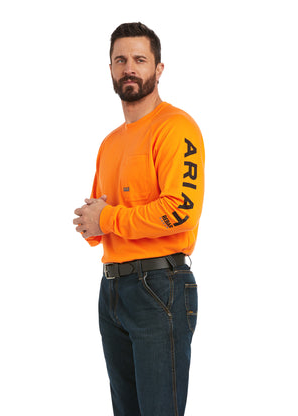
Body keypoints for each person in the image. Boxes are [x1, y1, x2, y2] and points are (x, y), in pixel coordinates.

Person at [73, 22, 205, 416]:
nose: (129, 67)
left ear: (158, 68)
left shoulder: (175, 127)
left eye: (139, 59)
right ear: (111, 69)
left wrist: (107, 219)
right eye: (120, 60)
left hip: (159, 288)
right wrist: (90, 221)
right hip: (112, 289)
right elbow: (100, 218)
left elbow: (180, 211)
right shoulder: (110, 142)